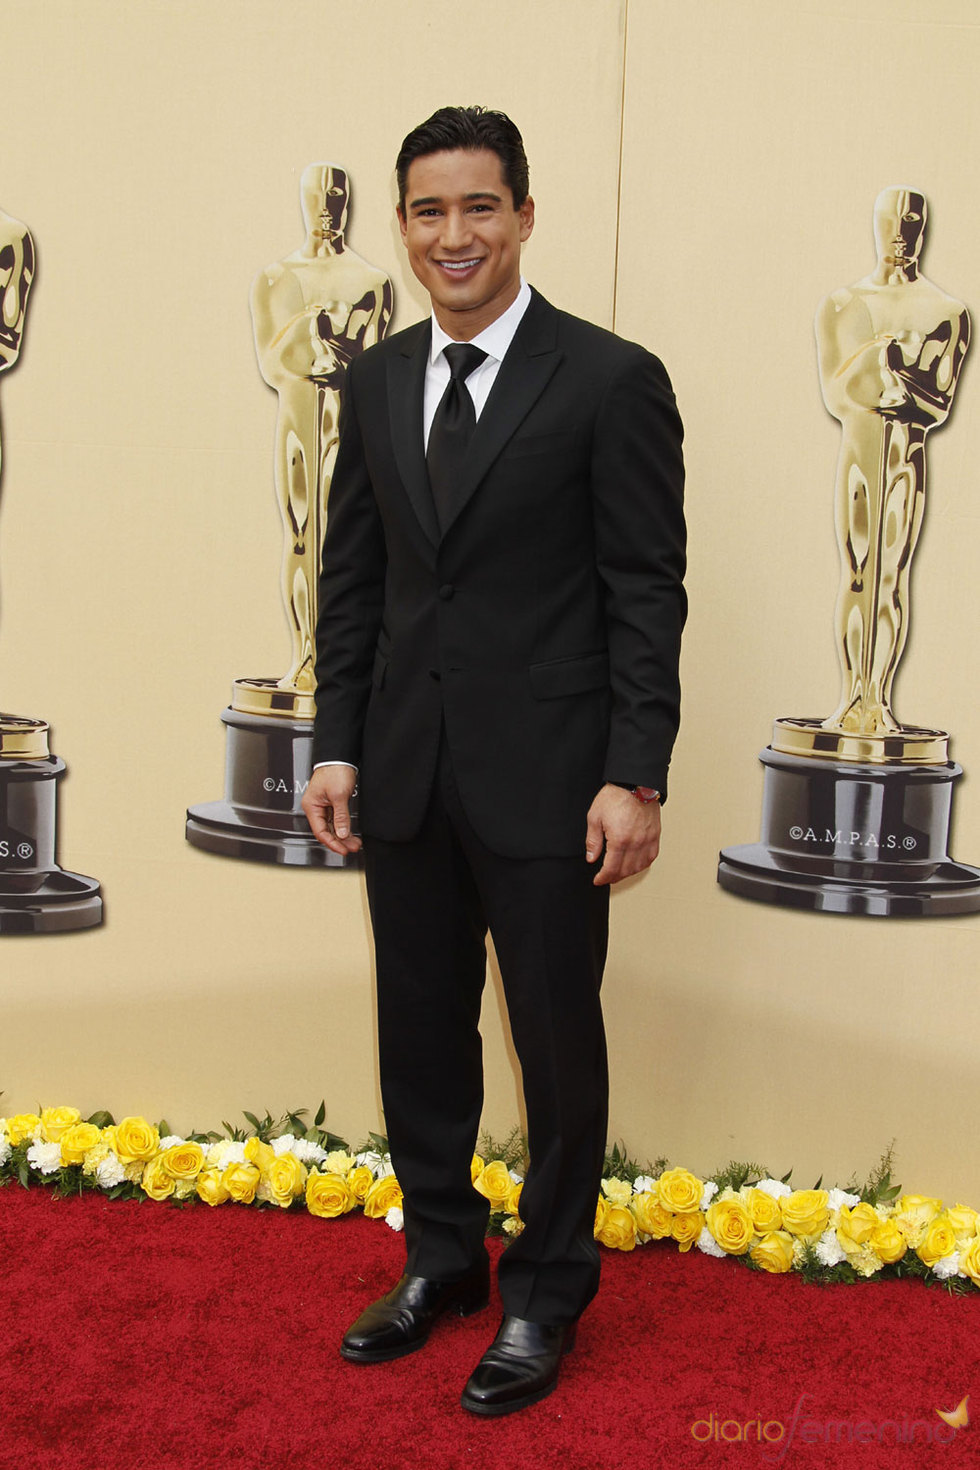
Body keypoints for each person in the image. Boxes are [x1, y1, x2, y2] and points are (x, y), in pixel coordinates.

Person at [301, 106, 685, 1416]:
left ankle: (550, 1290)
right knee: (418, 1033)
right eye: (427, 211)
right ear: (404, 226)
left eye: (478, 207)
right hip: (405, 767)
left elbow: (646, 588)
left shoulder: (608, 378)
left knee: (556, 1046)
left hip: (552, 779)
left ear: (523, 214)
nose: (451, 235)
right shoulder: (373, 379)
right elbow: (351, 584)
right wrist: (337, 740)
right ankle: (443, 1259)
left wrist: (636, 771)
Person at [816, 187, 969, 735]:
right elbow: (838, 392)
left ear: (922, 227)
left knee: (892, 574)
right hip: (860, 453)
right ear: (879, 224)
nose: (901, 229)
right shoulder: (844, 304)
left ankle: (876, 700)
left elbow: (937, 403)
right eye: (893, 218)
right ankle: (851, 697)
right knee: (859, 570)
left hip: (906, 456)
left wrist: (887, 375)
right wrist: (888, 362)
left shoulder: (946, 312)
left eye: (912, 218)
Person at [250, 165, 392, 692]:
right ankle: (305, 659)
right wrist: (318, 330)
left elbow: (370, 366)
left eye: (338, 192)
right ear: (305, 199)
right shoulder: (274, 278)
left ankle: (339, 662)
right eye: (320, 193)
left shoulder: (372, 282)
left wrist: (321, 341)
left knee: (346, 538)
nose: (329, 203)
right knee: (303, 535)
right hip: (296, 415)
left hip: (345, 420)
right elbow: (273, 363)